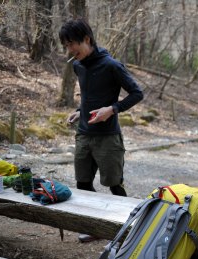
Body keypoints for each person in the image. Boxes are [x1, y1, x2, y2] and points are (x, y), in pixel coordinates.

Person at [59, 18, 143, 242]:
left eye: (71, 44)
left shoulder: (112, 66)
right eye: (66, 45)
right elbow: (89, 95)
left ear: (87, 39)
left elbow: (137, 93)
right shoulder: (78, 65)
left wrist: (112, 109)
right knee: (83, 184)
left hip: (108, 137)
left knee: (115, 185)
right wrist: (80, 110)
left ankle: (129, 229)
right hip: (84, 134)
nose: (69, 49)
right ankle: (96, 227)